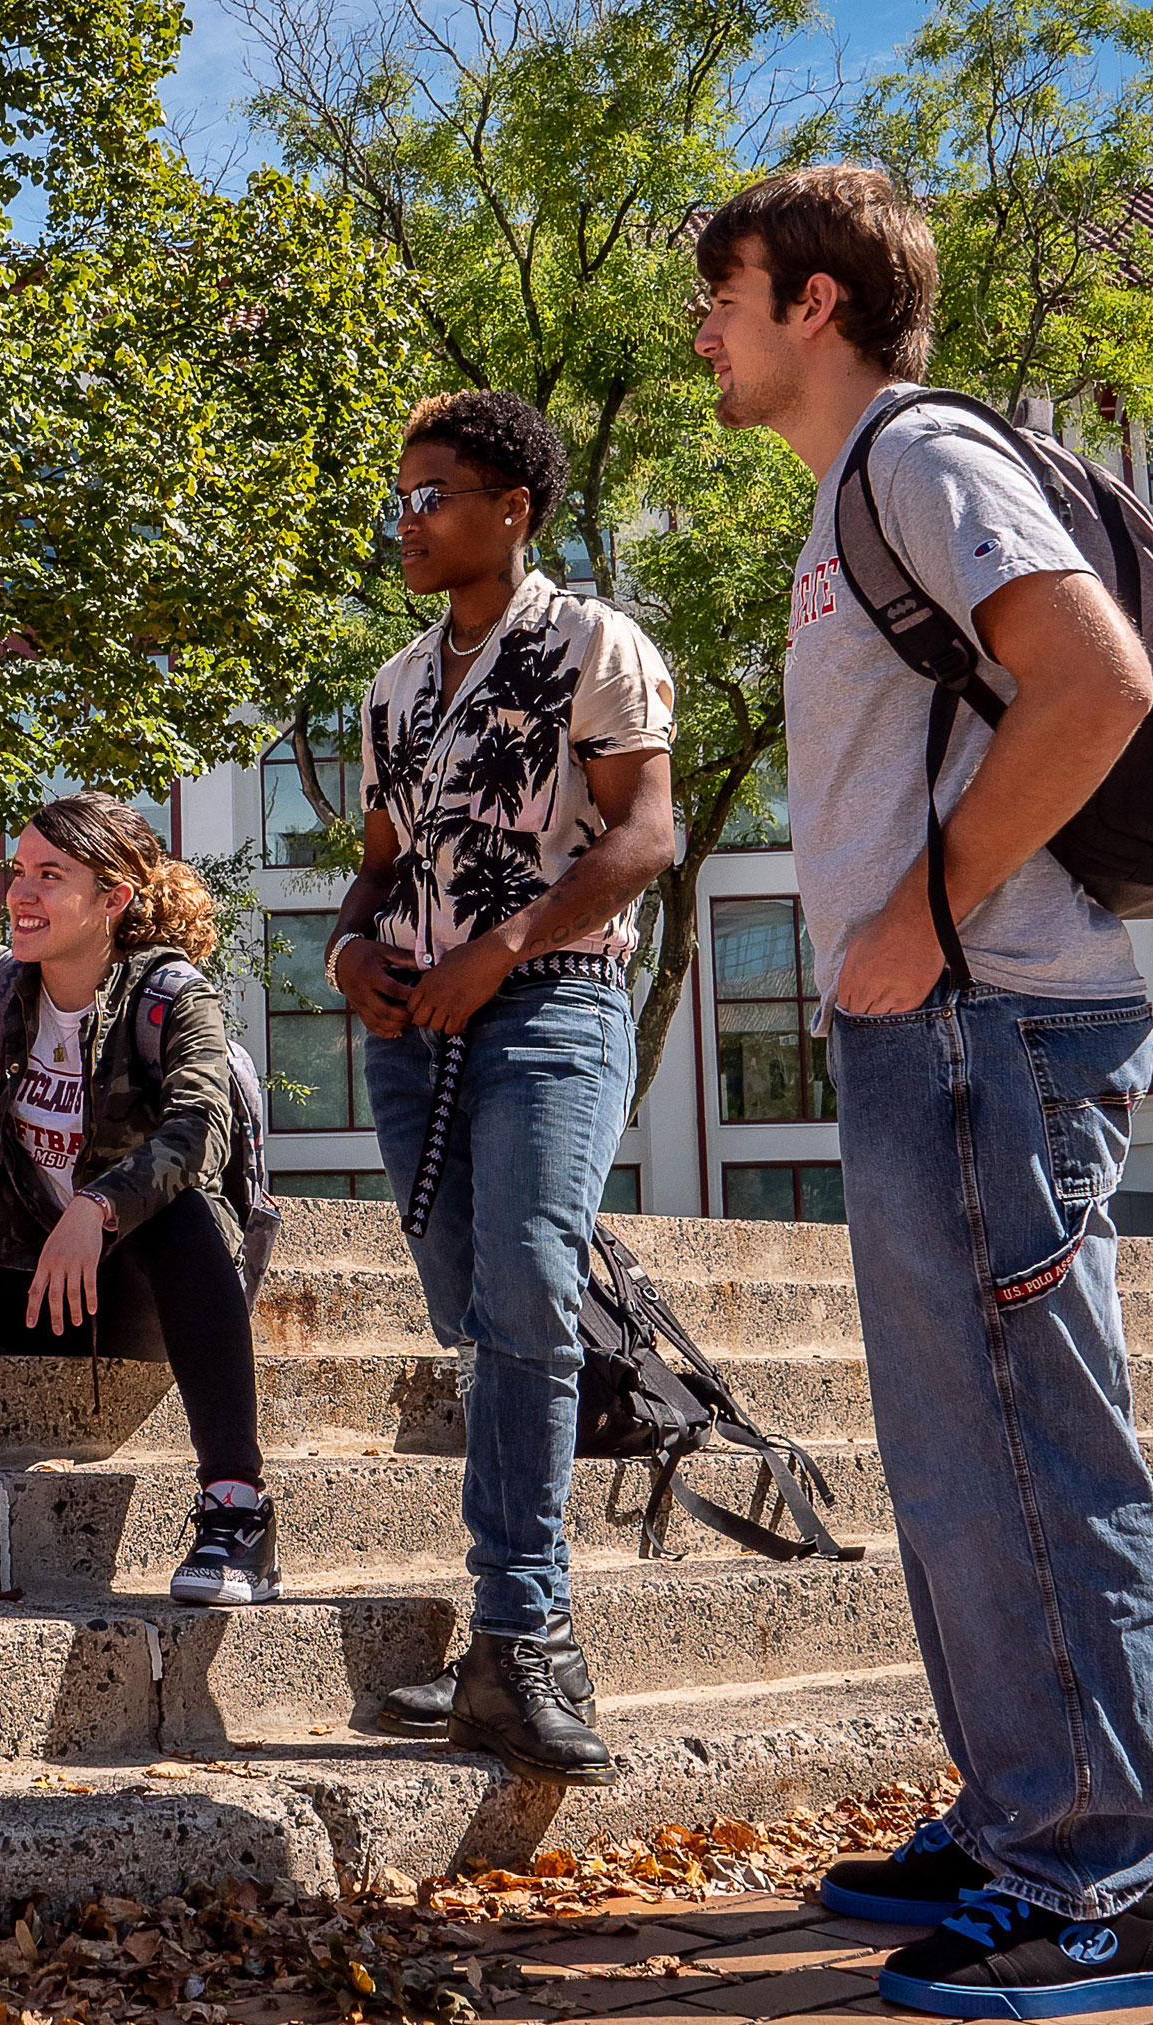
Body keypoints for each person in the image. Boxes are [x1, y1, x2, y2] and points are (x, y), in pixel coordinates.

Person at [692, 164, 1153, 2018]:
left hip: (994, 1021)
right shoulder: (856, 494)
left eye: (722, 288)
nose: (703, 324)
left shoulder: (919, 457)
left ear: (812, 298)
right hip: (936, 1026)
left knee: (1034, 1452)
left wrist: (920, 909)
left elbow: (1097, 683)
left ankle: (1106, 1889)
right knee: (962, 1460)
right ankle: (1020, 1819)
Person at [326, 389, 678, 1782]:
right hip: (414, 1031)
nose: (405, 522)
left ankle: (528, 1636)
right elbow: (378, 856)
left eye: (432, 496)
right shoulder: (394, 686)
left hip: (554, 1003)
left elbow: (644, 834)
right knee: (481, 1321)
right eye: (399, 500)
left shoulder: (595, 644)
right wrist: (351, 948)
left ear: (511, 508)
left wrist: (507, 947)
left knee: (531, 1284)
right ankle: (496, 1651)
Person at [0, 795, 280, 1605]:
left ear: (114, 899)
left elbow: (200, 1127)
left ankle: (236, 1509)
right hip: (28, 1282)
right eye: (17, 872)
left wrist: (100, 1205)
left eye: (50, 876)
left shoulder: (173, 997)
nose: (21, 895)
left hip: (148, 1300)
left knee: (176, 1206)